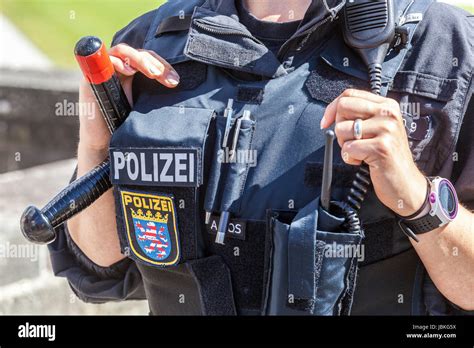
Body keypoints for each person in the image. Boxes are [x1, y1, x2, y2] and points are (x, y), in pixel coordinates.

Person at [49, 0, 474, 315]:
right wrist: (98, 145)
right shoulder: (153, 42)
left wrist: (418, 200)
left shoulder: (445, 48)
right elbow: (102, 265)